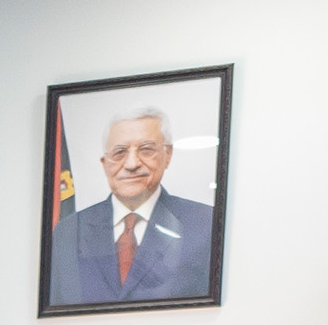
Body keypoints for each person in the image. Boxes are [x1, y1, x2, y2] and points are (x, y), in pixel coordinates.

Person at [47, 106, 217, 306]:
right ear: (104, 163)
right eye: (119, 152)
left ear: (168, 155)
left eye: (146, 150)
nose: (131, 164)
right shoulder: (68, 232)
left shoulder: (207, 224)